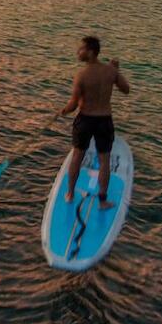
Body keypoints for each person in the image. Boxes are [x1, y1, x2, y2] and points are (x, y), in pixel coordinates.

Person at [58, 35, 130, 210]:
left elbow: (74, 104)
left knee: (77, 156)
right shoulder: (110, 71)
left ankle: (69, 194)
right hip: (104, 120)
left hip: (85, 120)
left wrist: (63, 111)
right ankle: (103, 201)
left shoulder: (81, 75)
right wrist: (116, 71)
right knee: (104, 160)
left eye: (81, 49)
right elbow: (126, 89)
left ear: (90, 52)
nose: (78, 51)